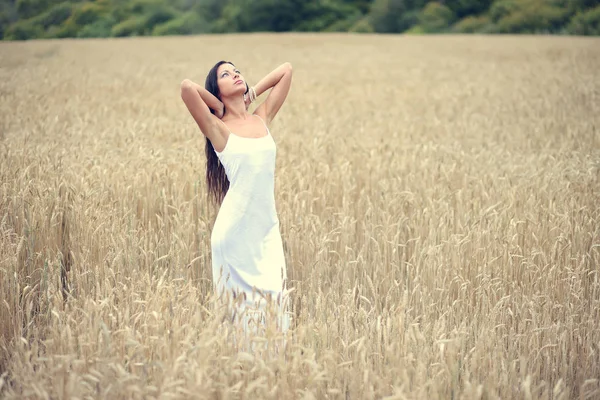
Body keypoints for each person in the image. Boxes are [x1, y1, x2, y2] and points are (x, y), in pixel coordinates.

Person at [180, 61, 293, 337]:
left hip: (267, 229)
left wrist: (251, 93)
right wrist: (217, 107)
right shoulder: (218, 128)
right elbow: (187, 88)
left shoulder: (261, 117)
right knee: (243, 314)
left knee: (276, 303)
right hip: (235, 233)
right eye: (225, 75)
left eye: (237, 71)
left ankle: (275, 371)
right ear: (217, 89)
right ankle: (243, 371)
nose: (236, 75)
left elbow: (286, 70)